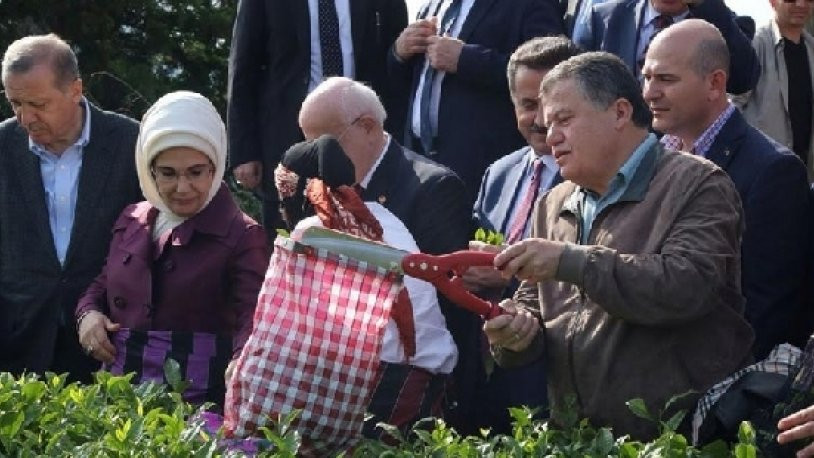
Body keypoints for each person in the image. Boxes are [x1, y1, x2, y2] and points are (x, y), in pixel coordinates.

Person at [483, 51, 753, 439]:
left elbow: (687, 287)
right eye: (546, 123)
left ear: (621, 113)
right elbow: (534, 311)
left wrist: (569, 261)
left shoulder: (697, 183)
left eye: (564, 119)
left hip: (677, 440)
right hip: (579, 441)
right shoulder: (553, 203)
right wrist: (513, 333)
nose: (550, 135)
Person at [296, 76, 482, 433]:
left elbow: (450, 306)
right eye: (308, 144)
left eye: (325, 142)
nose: (316, 157)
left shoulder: (431, 188)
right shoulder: (321, 191)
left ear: (367, 126)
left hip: (412, 397)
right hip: (336, 391)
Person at [74, 91, 269, 404]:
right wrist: (89, 314)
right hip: (121, 393)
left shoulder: (243, 234)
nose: (182, 187)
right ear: (149, 170)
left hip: (198, 401)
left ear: (215, 167)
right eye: (167, 173)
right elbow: (104, 282)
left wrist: (242, 363)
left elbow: (255, 317)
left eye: (195, 172)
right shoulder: (133, 217)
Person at [643, 19, 811, 359]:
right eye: (646, 77)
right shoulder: (647, 158)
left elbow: (766, 313)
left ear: (715, 83)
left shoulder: (772, 171)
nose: (649, 92)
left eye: (665, 79)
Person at [275, 135, 458, 438]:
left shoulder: (312, 232)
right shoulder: (381, 216)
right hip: (426, 384)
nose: (283, 211)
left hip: (375, 386)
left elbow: (286, 328)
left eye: (285, 199)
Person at [0, 34, 142, 382]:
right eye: (15, 103)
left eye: (38, 104)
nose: (24, 117)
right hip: (17, 340)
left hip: (108, 338)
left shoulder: (131, 143)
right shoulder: (2, 146)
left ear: (76, 90)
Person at [466, 36, 581, 434]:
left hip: (563, 373)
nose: (541, 120)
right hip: (494, 367)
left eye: (551, 105)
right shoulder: (499, 173)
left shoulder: (593, 175)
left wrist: (510, 274)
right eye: (528, 105)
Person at [227, 0, 408, 233]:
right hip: (287, 138)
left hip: (360, 134)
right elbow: (244, 65)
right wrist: (244, 150)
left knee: (369, 235)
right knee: (289, 239)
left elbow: (396, 57)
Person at [388, 0, 564, 201]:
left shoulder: (527, 5)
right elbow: (403, 85)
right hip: (420, 161)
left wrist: (466, 59)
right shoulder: (432, 7)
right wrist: (398, 52)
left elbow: (551, 73)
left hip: (480, 166)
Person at [572, 0, 759, 95]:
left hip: (687, 155)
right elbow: (578, 87)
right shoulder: (603, 19)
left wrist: (709, 8)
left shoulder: (726, 23)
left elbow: (743, 82)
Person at [736, 0, 814, 177]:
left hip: (804, 176)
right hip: (762, 172)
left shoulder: (811, 49)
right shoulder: (754, 44)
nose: (801, 4)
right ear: (772, 2)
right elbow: (732, 107)